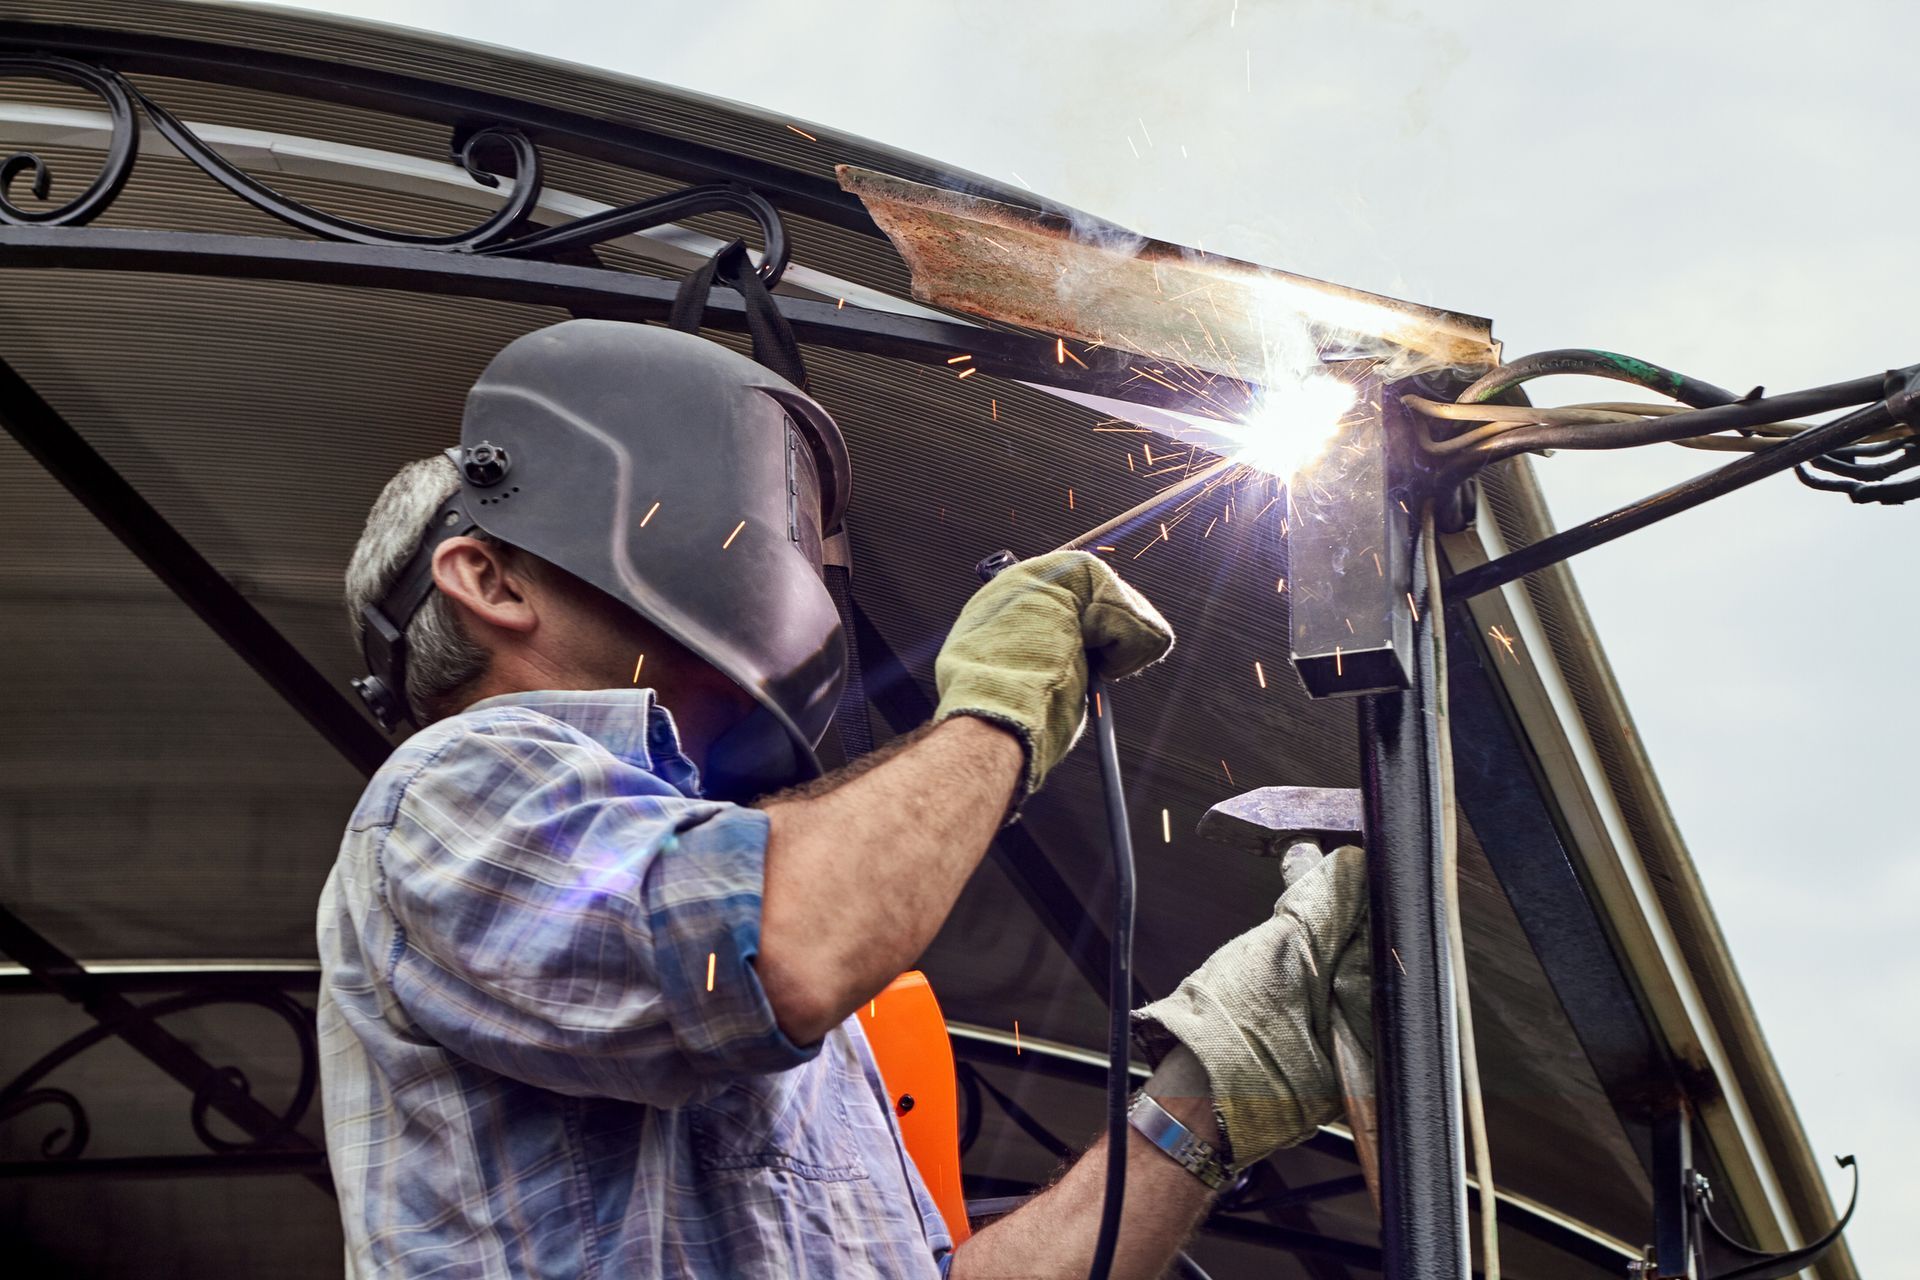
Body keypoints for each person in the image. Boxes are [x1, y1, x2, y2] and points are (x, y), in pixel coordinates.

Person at [318, 319, 1369, 1279]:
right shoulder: (454, 787)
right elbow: (790, 941)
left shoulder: (733, 917)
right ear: (487, 579)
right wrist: (997, 709)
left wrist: (1217, 1078)